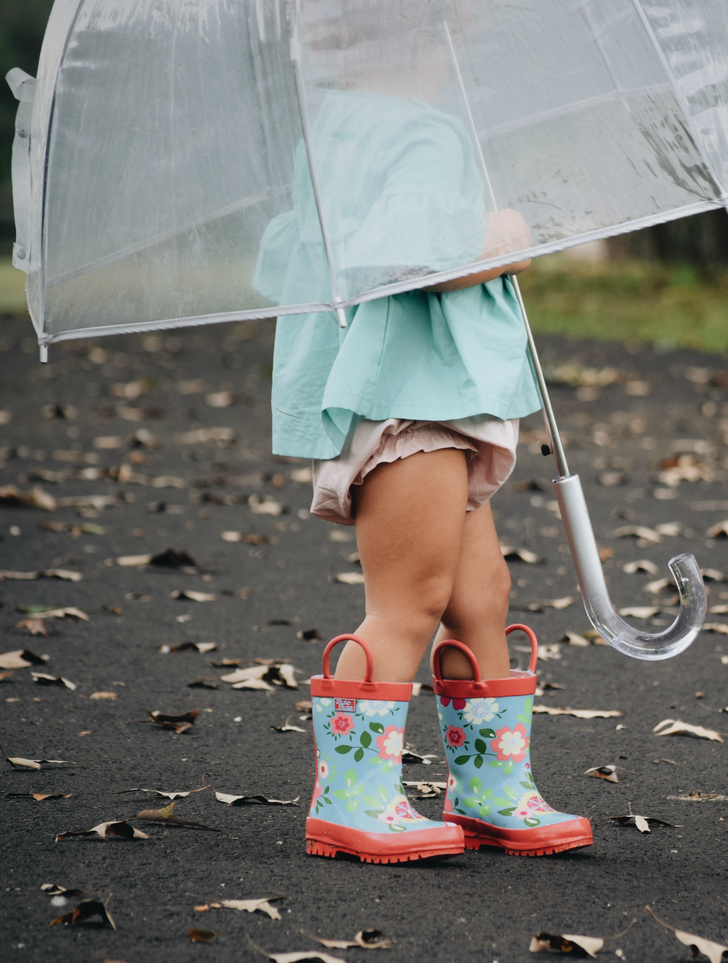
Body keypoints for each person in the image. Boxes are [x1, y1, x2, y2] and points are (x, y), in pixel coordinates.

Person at [252, 2, 591, 864]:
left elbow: (293, 254)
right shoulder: (421, 134)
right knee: (409, 600)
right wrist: (506, 235)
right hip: (413, 407)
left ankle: (489, 784)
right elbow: (408, 254)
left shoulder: (333, 132)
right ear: (430, 34)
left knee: (481, 595)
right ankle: (354, 796)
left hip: (418, 399)